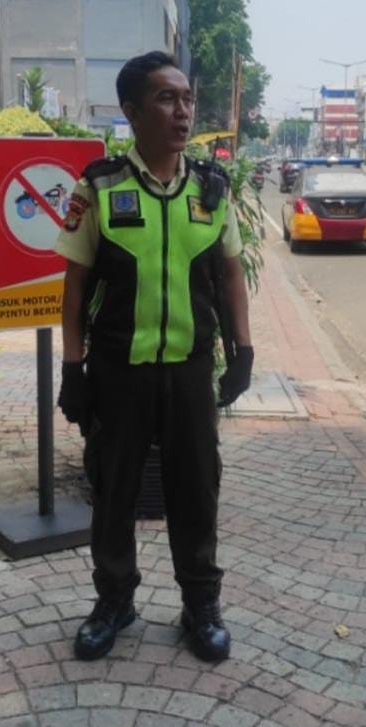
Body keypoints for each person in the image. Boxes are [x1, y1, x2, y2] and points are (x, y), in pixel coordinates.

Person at [54, 51, 254, 663]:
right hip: (118, 372)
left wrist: (243, 350)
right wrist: (72, 366)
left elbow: (231, 273)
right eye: (167, 98)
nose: (183, 110)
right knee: (113, 490)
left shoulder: (211, 189)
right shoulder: (98, 187)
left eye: (187, 98)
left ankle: (201, 605)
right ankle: (114, 601)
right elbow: (74, 285)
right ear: (133, 111)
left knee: (197, 490)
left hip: (190, 370)